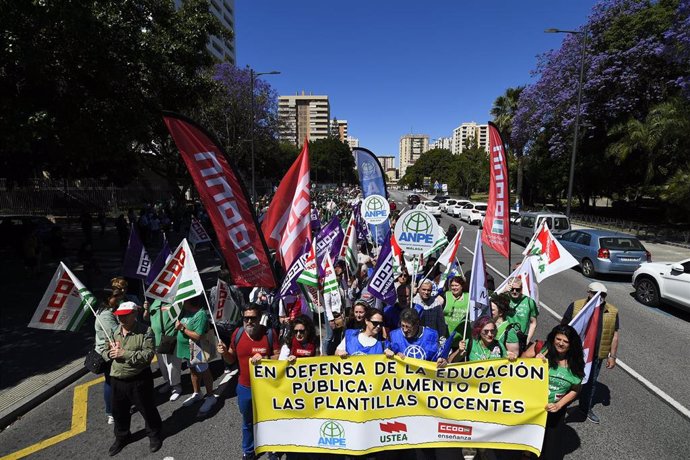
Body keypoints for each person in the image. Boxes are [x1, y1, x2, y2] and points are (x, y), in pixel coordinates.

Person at [217, 304, 281, 460]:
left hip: (267, 388)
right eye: (246, 318)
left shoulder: (269, 334)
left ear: (259, 319)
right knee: (247, 421)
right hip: (245, 387)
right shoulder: (237, 334)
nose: (249, 321)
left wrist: (265, 359)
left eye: (253, 318)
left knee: (270, 419)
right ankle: (249, 450)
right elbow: (231, 358)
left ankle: (272, 448)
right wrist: (225, 353)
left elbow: (279, 356)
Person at [103, 301, 162, 456]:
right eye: (119, 316)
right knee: (119, 412)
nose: (122, 319)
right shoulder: (113, 331)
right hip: (117, 379)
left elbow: (148, 356)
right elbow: (103, 349)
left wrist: (124, 353)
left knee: (147, 409)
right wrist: (109, 354)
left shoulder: (146, 331)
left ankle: (154, 434)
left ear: (134, 314)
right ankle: (122, 436)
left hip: (139, 379)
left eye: (125, 316)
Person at [561, 281, 619, 424]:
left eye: (603, 295)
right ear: (589, 293)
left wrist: (613, 356)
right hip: (574, 353)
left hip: (595, 355)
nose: (599, 297)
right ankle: (560, 407)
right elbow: (563, 327)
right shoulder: (576, 306)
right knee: (566, 380)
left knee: (590, 383)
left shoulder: (612, 311)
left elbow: (614, 335)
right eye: (595, 294)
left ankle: (585, 408)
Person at [523, 325, 584, 459]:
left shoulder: (576, 364)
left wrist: (559, 405)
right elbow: (520, 365)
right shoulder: (542, 349)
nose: (561, 343)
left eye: (565, 341)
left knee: (550, 450)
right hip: (533, 407)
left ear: (571, 344)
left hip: (554, 411)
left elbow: (575, 389)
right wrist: (533, 363)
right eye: (558, 339)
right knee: (527, 444)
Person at [174, 297, 217, 416]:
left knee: (204, 371)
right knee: (192, 371)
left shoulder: (201, 314)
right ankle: (197, 393)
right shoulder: (185, 310)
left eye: (184, 300)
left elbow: (198, 336)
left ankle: (210, 396)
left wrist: (182, 328)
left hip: (197, 348)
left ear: (189, 301)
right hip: (186, 349)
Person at [144, 299, 182, 401]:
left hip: (170, 338)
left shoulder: (174, 300)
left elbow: (181, 317)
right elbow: (147, 319)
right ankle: (168, 382)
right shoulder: (154, 303)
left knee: (173, 364)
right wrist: (146, 310)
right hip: (156, 340)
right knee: (162, 365)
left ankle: (176, 386)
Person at [95, 288, 120, 424]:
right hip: (108, 354)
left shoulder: (108, 311)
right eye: (115, 296)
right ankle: (111, 412)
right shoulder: (105, 315)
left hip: (108, 351)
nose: (119, 297)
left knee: (112, 381)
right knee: (111, 382)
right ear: (107, 299)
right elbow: (115, 333)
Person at [451, 316, 517, 363]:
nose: (490, 334)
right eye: (486, 331)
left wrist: (511, 357)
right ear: (479, 331)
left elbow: (506, 363)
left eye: (492, 331)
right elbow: (450, 361)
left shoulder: (499, 345)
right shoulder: (471, 343)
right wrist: (459, 352)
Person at [506, 277, 538, 343]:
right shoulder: (504, 298)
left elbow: (533, 322)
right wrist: (503, 290)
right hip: (505, 336)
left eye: (517, 289)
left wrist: (528, 339)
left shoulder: (529, 302)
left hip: (520, 338)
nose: (514, 292)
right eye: (512, 289)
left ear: (521, 289)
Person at [443, 276, 470, 348]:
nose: (454, 288)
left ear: (462, 286)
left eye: (456, 285)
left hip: (463, 337)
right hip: (446, 337)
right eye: (452, 285)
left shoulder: (469, 297)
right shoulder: (445, 296)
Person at [491, 292, 520, 356]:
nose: (489, 311)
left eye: (492, 310)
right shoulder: (488, 325)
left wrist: (501, 353)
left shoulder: (509, 332)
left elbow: (514, 355)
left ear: (500, 312)